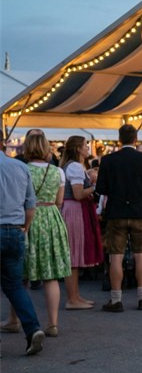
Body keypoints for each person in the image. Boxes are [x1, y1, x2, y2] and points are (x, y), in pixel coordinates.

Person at [96, 124, 142, 312]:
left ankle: (116, 300)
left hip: (116, 212)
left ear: (119, 139)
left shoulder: (108, 160)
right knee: (140, 254)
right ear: (136, 139)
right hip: (139, 211)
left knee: (115, 256)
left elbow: (100, 189)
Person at [16, 132, 70, 337]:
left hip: (27, 219)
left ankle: (14, 319)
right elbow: (59, 201)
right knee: (50, 275)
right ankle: (53, 323)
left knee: (20, 275)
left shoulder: (22, 169)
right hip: (51, 219)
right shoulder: (57, 171)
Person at [0, 144, 45, 355]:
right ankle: (33, 329)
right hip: (15, 230)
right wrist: (24, 228)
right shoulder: (20, 167)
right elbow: (30, 205)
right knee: (15, 286)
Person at [58, 135, 102, 310]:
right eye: (85, 145)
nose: (87, 148)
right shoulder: (75, 166)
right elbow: (77, 194)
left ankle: (75, 296)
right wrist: (94, 187)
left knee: (74, 254)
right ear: (78, 149)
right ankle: (72, 298)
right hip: (74, 209)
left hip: (72, 209)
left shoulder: (71, 166)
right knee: (73, 255)